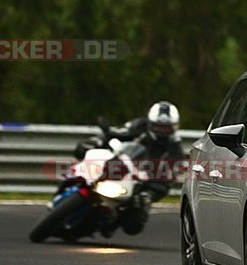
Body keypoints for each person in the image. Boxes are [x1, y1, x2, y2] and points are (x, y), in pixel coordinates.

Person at [74, 101, 185, 235]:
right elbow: (120, 133)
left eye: (166, 128)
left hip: (141, 183)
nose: (162, 130)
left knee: (135, 221)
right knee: (84, 149)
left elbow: (167, 181)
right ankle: (73, 180)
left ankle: (111, 224)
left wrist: (149, 194)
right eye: (158, 126)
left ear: (174, 127)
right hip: (118, 162)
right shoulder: (139, 125)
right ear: (150, 123)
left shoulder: (175, 151)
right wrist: (106, 133)